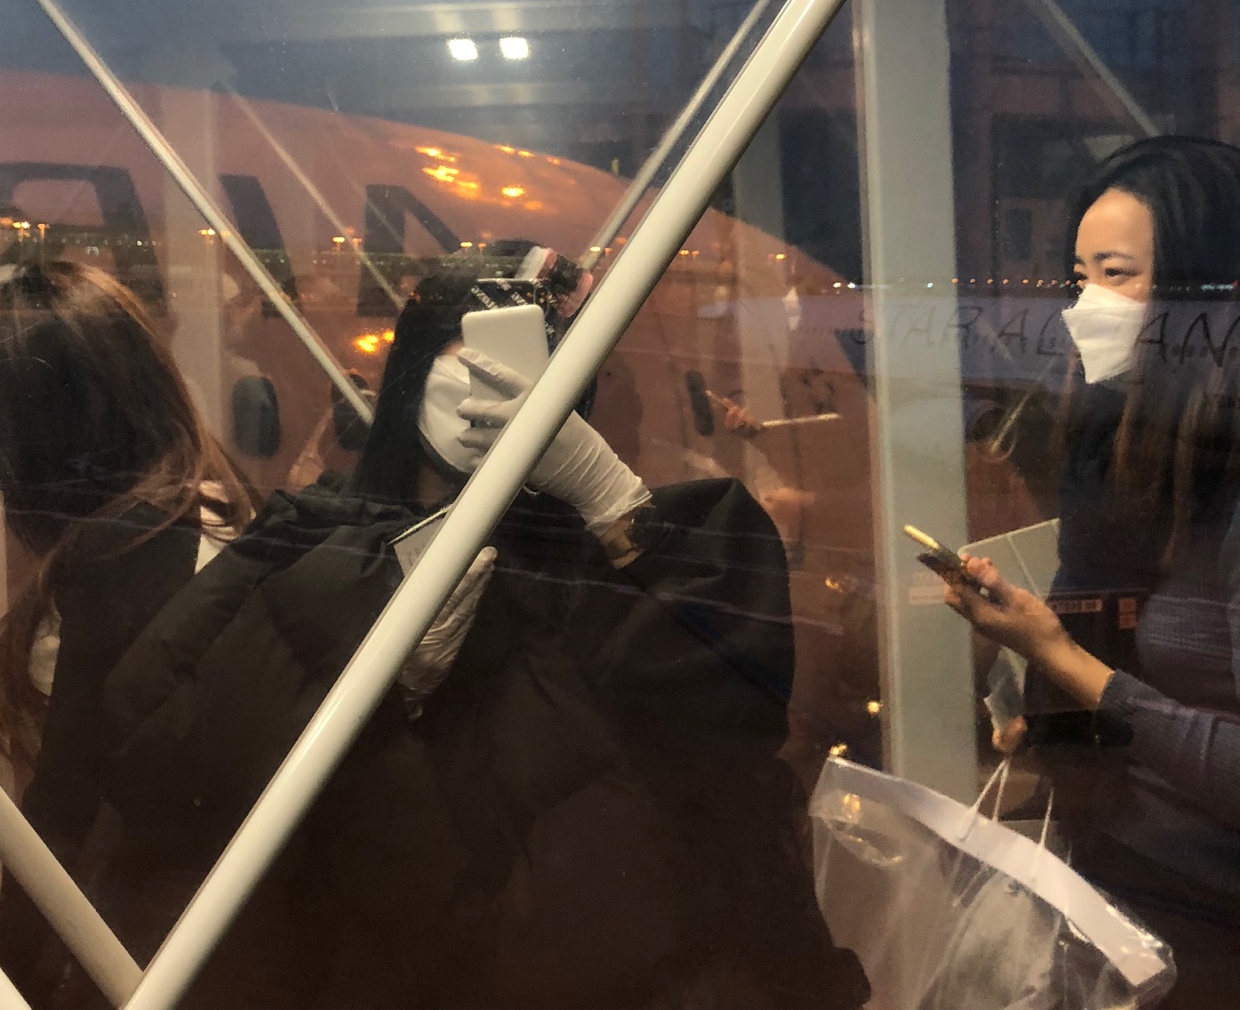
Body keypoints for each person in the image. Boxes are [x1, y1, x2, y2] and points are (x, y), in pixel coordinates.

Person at [93, 245, 869, 1009]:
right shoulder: (312, 538)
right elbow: (164, 747)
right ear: (415, 367)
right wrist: (361, 666)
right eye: (467, 352)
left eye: (542, 365)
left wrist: (609, 498)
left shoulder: (623, 548)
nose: (497, 383)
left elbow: (729, 727)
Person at [943, 136, 1240, 1008]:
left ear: (1207, 292)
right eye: (1079, 277)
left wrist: (1059, 659)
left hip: (1215, 915)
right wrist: (1036, 698)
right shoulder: (1129, 440)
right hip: (1125, 876)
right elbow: (1102, 609)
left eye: (1117, 274)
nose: (1086, 306)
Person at [0, 260, 256, 1001]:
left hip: (130, 949)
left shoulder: (128, 553)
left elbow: (66, 816)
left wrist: (10, 983)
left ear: (49, 437)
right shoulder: (207, 515)